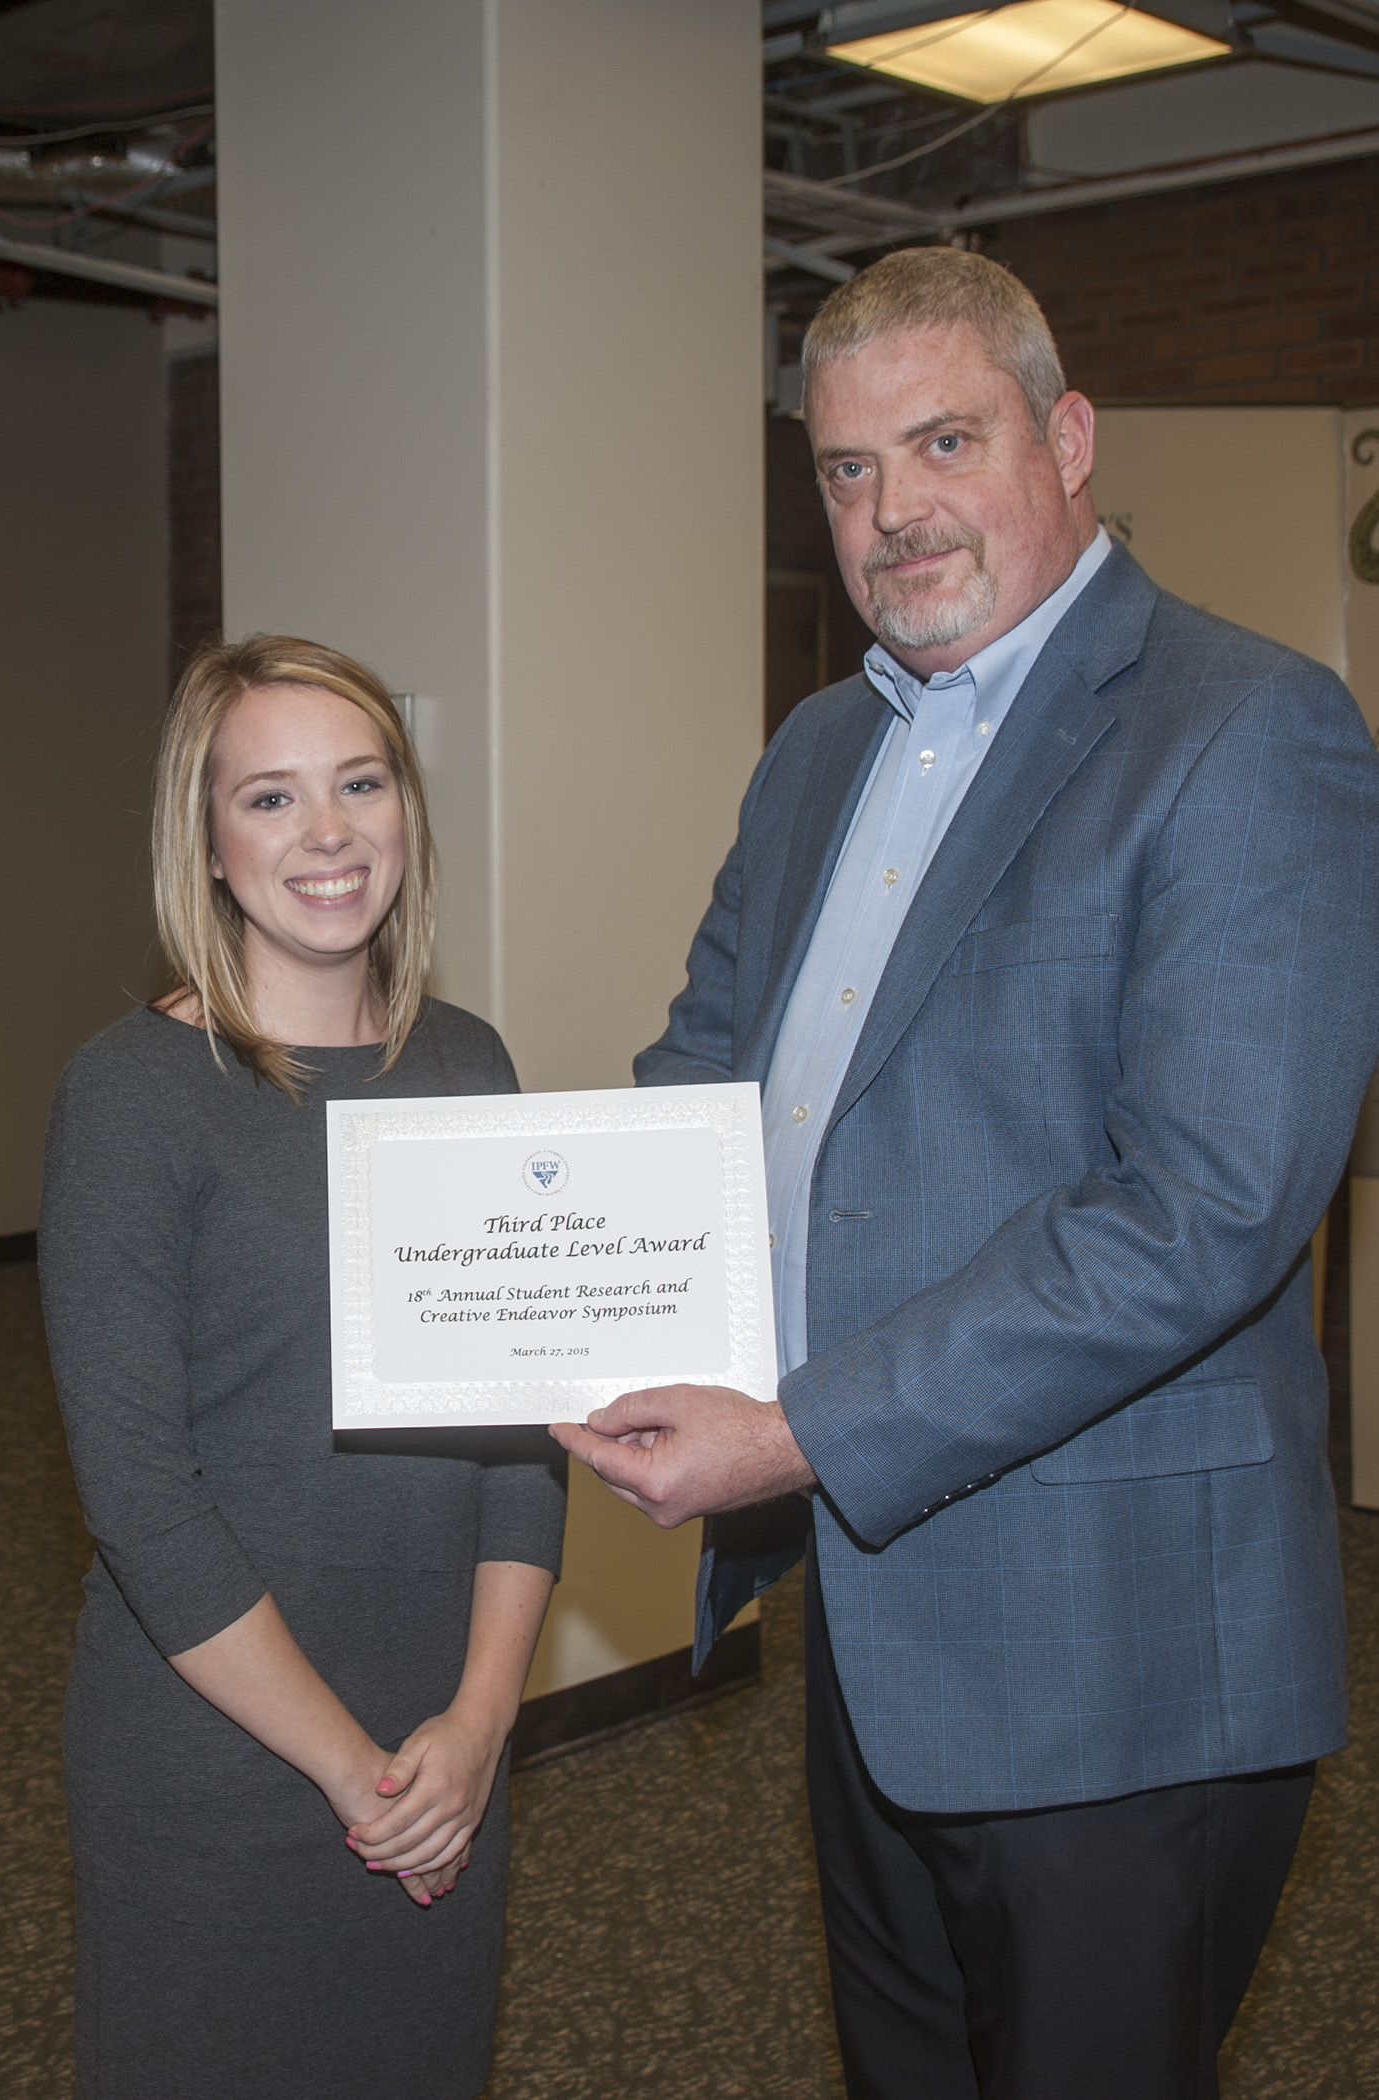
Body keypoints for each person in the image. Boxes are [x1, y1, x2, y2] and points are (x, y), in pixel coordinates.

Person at [552, 248, 1379, 2099]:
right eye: (845, 468)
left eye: (941, 440)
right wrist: (557, 1286)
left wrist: (802, 1432)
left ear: (1065, 438)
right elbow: (705, 1079)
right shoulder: (818, 749)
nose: (891, 508)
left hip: (1118, 1652)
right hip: (876, 1617)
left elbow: (1201, 1213)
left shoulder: (1244, 731)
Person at [39, 636, 566, 2100]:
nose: (327, 834)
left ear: (407, 805)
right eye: (268, 800)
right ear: (204, 846)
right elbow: (142, 1500)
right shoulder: (135, 1096)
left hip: (443, 1745)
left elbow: (521, 1444)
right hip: (221, 1765)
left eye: (359, 782)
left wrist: (477, 1726)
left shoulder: (471, 1065)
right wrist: (356, 1774)